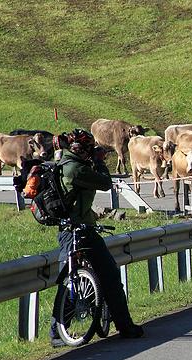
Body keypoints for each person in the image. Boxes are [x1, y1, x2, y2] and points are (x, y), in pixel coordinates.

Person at [50, 129, 143, 347]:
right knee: (109, 275)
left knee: (68, 282)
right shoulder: (76, 169)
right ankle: (125, 326)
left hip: (68, 230)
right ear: (84, 150)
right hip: (81, 231)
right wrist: (100, 162)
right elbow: (104, 183)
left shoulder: (65, 163)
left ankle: (56, 332)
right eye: (90, 149)